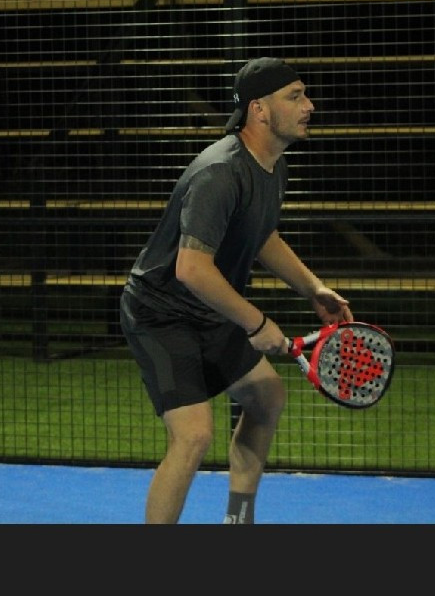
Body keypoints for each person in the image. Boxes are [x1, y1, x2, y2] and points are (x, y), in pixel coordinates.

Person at [120, 56, 354, 524]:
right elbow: (191, 268)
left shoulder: (271, 166)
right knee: (193, 436)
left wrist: (312, 288)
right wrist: (257, 322)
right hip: (161, 313)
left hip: (208, 310)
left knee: (266, 397)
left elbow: (260, 234)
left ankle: (238, 522)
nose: (309, 105)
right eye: (295, 96)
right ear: (259, 110)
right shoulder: (220, 172)